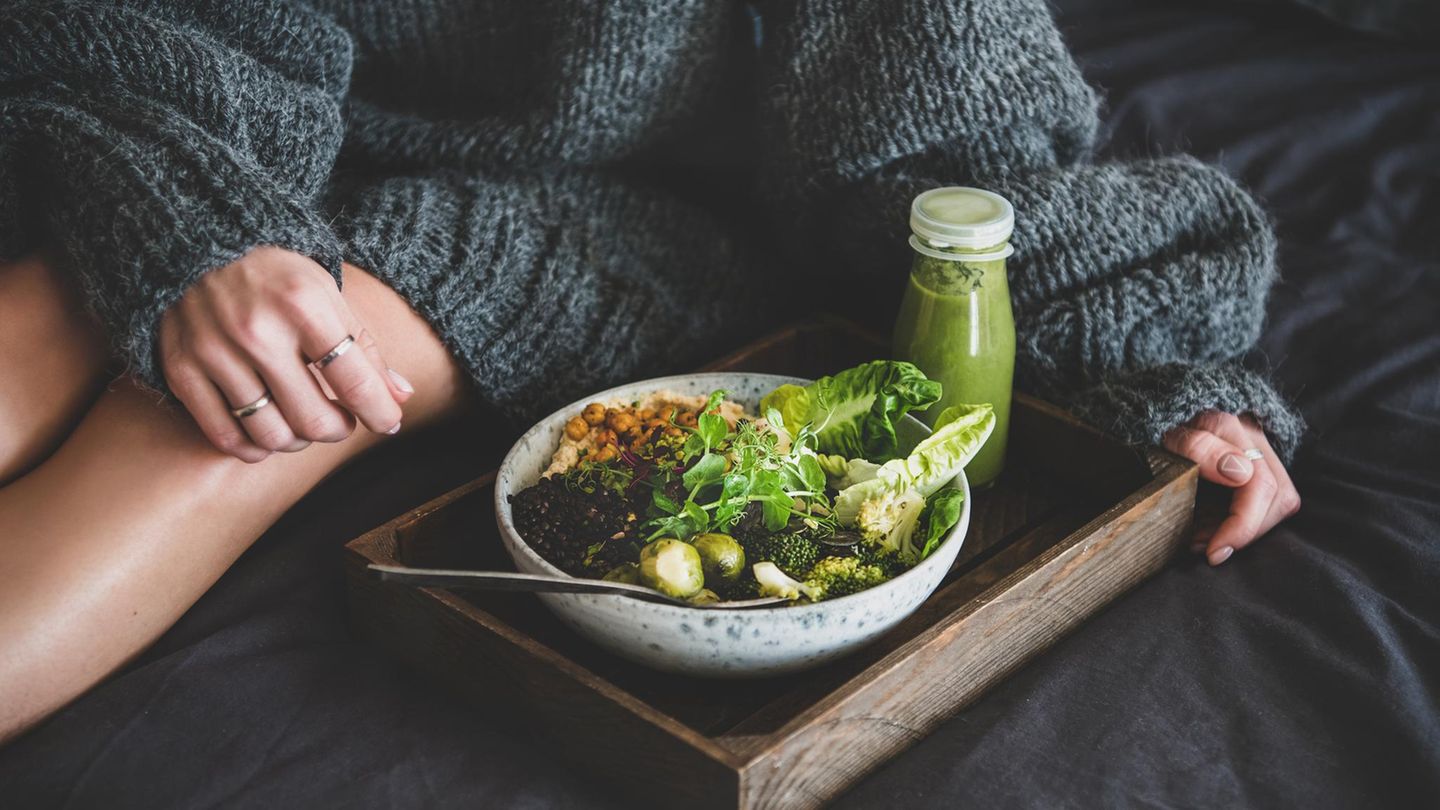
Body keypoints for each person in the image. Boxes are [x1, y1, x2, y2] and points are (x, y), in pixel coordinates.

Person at [0, 0, 1300, 740]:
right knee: (53, 303)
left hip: (644, 214)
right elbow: (135, 35)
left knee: (248, 402)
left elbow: (955, 160)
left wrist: (1151, 370)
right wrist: (191, 216)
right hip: (232, 113)